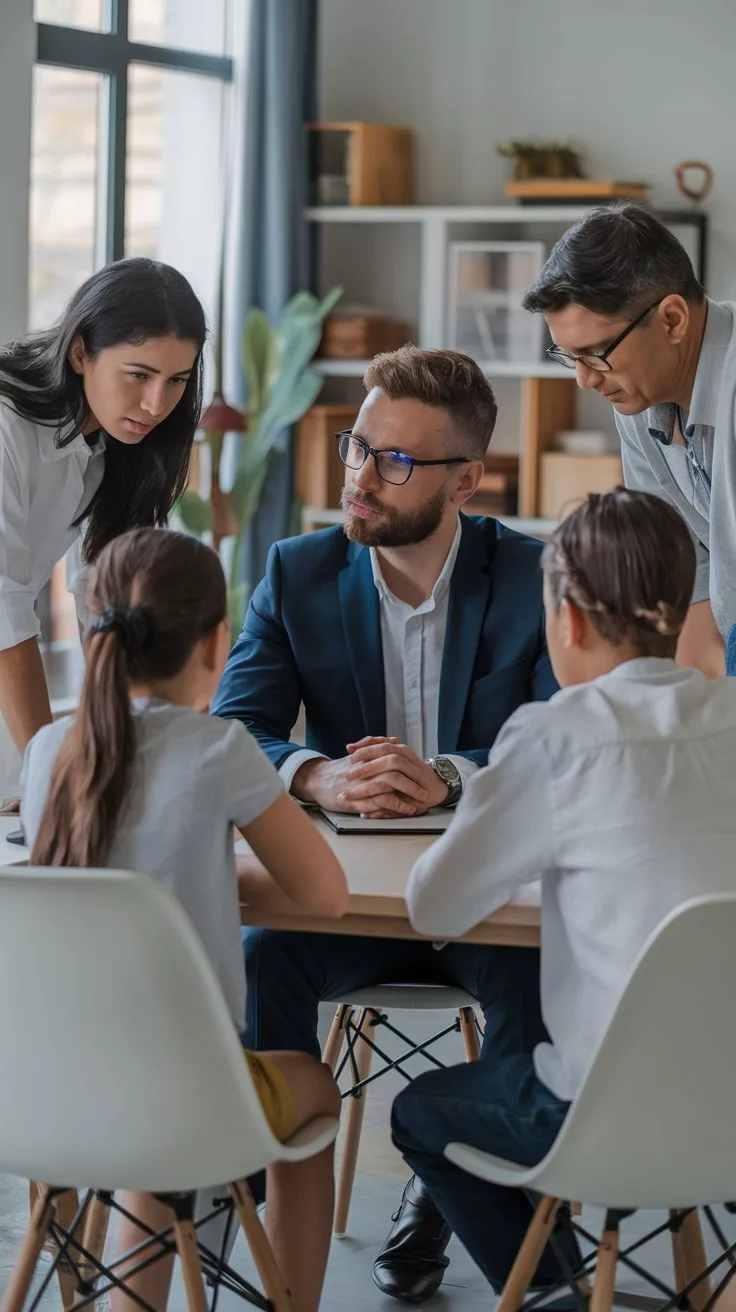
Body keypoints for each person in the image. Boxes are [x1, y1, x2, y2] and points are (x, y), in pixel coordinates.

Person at [211, 344, 558, 1303]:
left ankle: (493, 1241)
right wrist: (318, 776)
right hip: (341, 904)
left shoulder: (535, 576)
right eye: (358, 446)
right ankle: (264, 1243)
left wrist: (446, 777)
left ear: (467, 480)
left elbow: (563, 740)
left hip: (487, 904)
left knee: (534, 996)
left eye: (395, 461)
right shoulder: (298, 570)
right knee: (259, 955)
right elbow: (236, 728)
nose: (361, 476)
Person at [391, 488, 736, 1300]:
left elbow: (433, 910)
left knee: (421, 1111)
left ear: (568, 621)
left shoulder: (557, 733)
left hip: (599, 1117)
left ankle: (561, 1292)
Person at [20, 527, 349, 1312]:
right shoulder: (218, 749)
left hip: (44, 1097)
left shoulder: (44, 752)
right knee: (315, 1091)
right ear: (217, 644)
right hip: (186, 1100)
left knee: (146, 1124)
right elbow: (325, 894)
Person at [0, 257, 207, 793]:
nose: (157, 404)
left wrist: (114, 742)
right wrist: (57, 776)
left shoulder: (120, 446)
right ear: (79, 353)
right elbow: (4, 607)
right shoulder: (6, 425)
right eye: (138, 375)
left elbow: (102, 596)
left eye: (176, 380)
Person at [522, 202, 730, 678]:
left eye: (595, 353)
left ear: (673, 320)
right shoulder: (637, 400)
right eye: (568, 355)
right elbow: (679, 557)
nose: (584, 380)